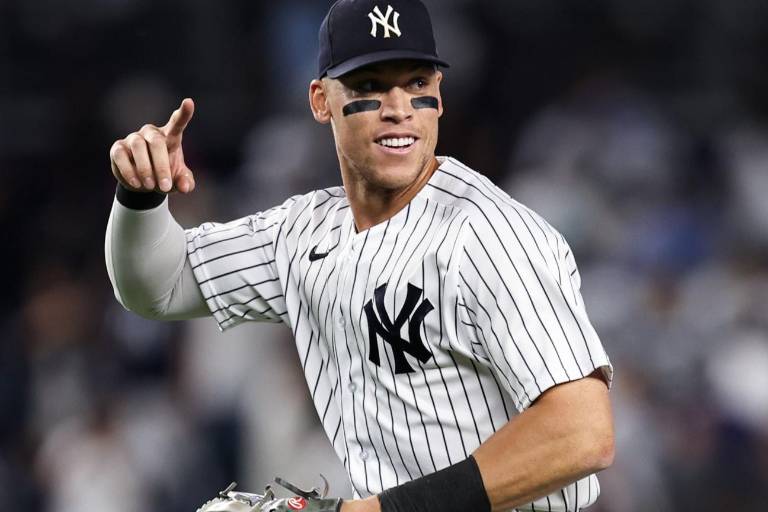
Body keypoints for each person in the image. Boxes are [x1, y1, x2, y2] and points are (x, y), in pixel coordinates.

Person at [105, 0, 614, 510]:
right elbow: (160, 285)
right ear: (321, 100)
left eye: (416, 83)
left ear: (439, 94)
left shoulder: (489, 234)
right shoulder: (302, 233)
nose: (398, 108)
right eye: (370, 86)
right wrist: (140, 195)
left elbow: (582, 433)